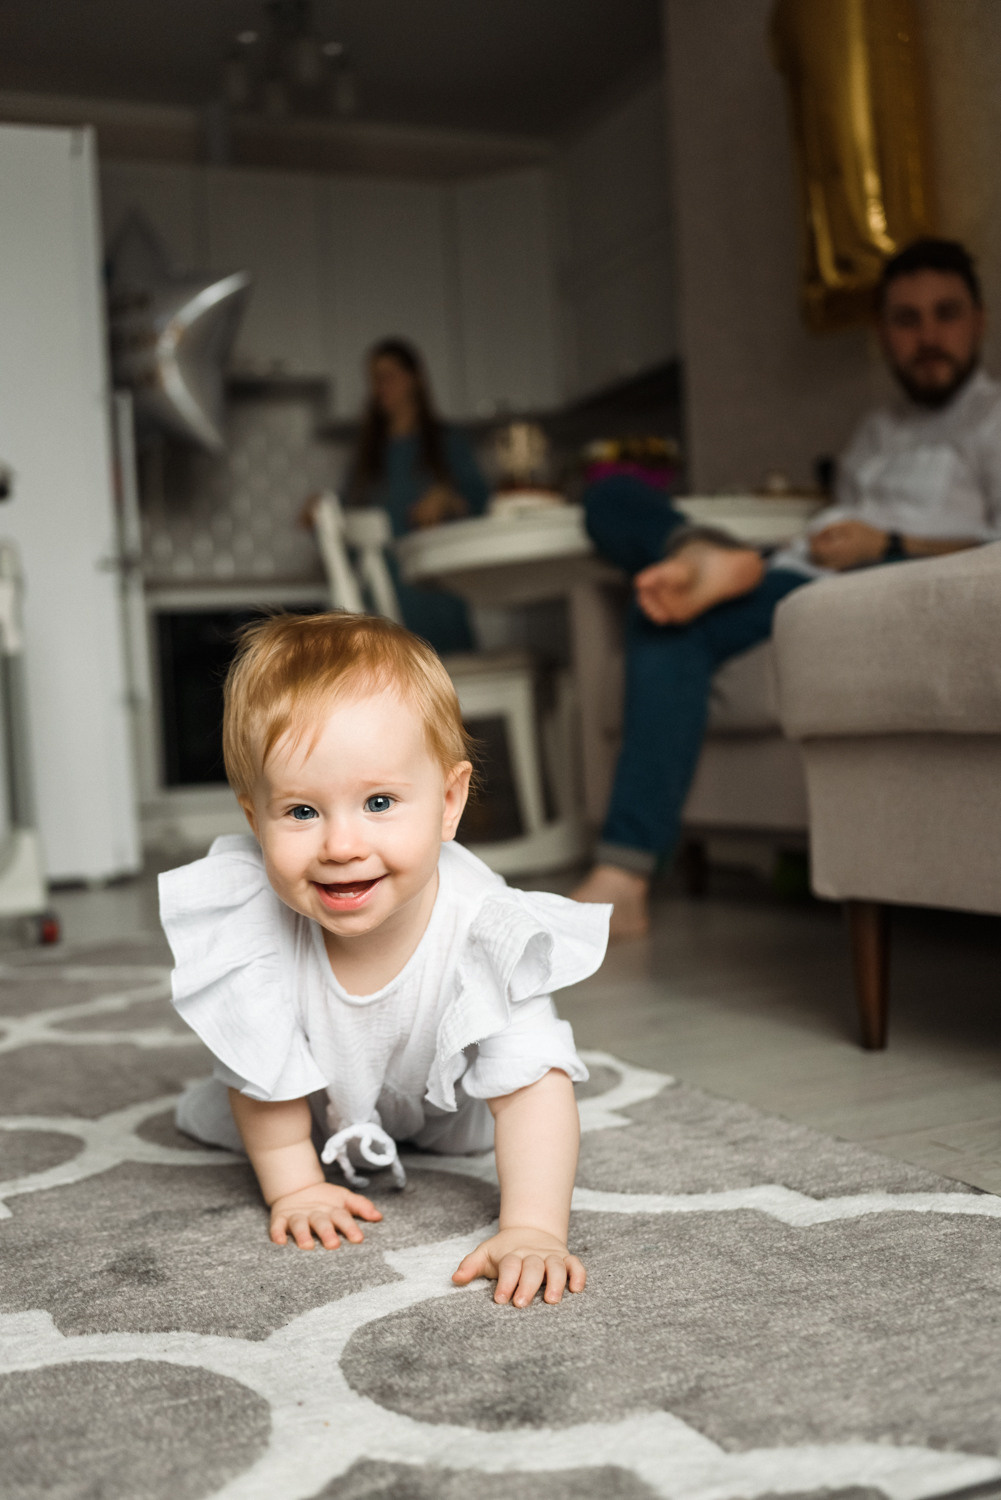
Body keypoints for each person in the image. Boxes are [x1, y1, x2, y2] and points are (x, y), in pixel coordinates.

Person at [159, 611, 608, 1308]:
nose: (341, 844)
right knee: (219, 1111)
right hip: (311, 1108)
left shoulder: (481, 920)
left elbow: (531, 1080)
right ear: (254, 820)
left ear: (448, 802)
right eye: (301, 812)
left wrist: (532, 1228)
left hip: (446, 1102)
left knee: (515, 1112)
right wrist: (298, 1185)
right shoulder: (254, 920)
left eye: (378, 802)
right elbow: (262, 1065)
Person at [572, 237, 1001, 938]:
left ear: (977, 320)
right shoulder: (876, 430)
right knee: (608, 495)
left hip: (877, 576)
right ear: (883, 334)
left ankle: (622, 873)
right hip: (792, 564)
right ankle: (700, 551)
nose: (927, 337)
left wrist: (886, 543)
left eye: (944, 314)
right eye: (905, 320)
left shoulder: (992, 420)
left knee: (663, 616)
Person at [347, 337, 490, 653]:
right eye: (374, 380)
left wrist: (449, 497)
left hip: (437, 596)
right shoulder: (368, 455)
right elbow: (349, 525)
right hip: (381, 606)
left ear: (415, 378)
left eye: (388, 377)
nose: (379, 387)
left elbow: (481, 504)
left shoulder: (448, 443)